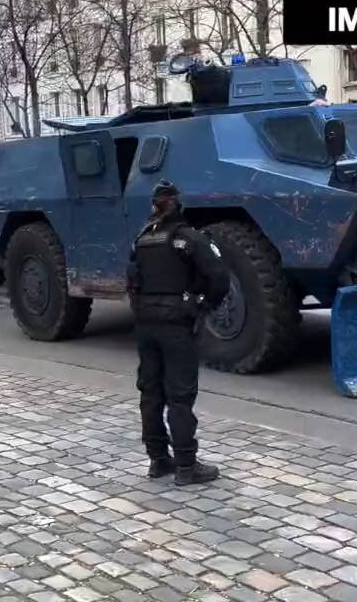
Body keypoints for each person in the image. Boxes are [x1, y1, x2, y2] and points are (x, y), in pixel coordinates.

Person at [126, 180, 231, 485]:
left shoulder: (141, 239)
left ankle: (158, 460)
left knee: (150, 393)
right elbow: (219, 277)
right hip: (177, 326)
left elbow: (131, 280)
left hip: (145, 325)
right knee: (180, 396)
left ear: (154, 207)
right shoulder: (190, 239)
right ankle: (186, 465)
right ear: (179, 205)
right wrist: (203, 306)